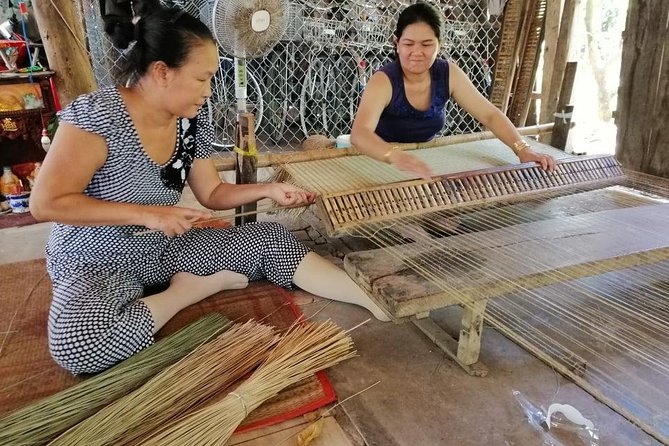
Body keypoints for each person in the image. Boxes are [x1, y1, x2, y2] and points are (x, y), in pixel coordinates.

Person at [30, 7, 389, 376]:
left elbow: (212, 193)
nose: (209, 91)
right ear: (162, 72)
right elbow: (45, 203)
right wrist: (148, 214)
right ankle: (189, 291)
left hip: (162, 250)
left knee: (270, 239)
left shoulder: (189, 120)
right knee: (76, 342)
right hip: (96, 260)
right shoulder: (98, 115)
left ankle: (368, 297)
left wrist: (269, 189)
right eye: (202, 78)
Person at [351, 2, 556, 179]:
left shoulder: (448, 74)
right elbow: (360, 134)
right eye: (408, 44)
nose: (417, 52)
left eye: (427, 44)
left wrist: (523, 150)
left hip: (427, 160)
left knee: (449, 223)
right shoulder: (384, 80)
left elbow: (490, 115)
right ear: (397, 44)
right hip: (381, 162)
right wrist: (395, 156)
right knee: (412, 226)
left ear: (439, 45)